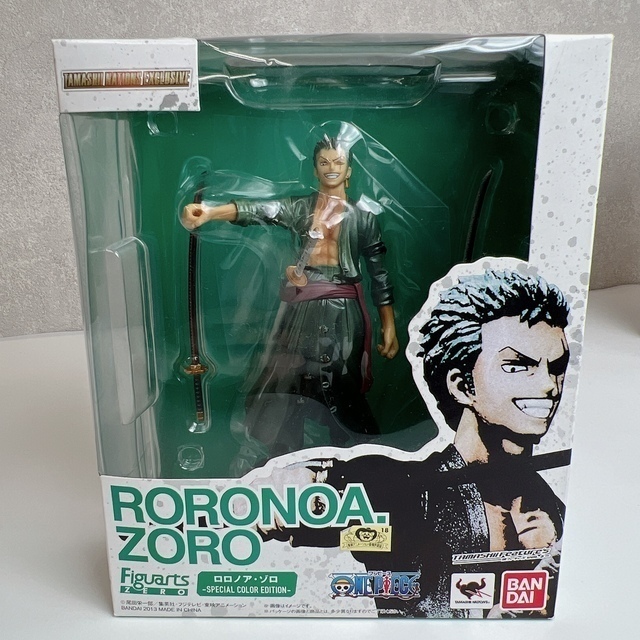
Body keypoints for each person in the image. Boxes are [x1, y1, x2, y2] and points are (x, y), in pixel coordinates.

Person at [274, 269, 570, 617]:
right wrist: (293, 486)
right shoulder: (410, 492)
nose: (549, 386)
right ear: (462, 385)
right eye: (518, 366)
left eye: (557, 367)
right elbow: (304, 497)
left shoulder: (553, 509)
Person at [182, 136, 398, 465]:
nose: (331, 168)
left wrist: (388, 325)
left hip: (344, 313)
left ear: (349, 170)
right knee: (288, 383)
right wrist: (211, 212)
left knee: (342, 383)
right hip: (301, 308)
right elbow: (261, 210)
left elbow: (379, 274)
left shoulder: (364, 218)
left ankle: (359, 458)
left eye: (338, 162)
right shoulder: (301, 207)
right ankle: (286, 458)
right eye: (324, 162)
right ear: (314, 169)